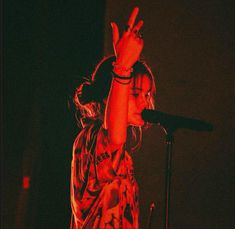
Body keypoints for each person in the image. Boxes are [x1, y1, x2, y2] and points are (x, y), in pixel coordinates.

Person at [70, 7, 157, 229]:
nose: (145, 102)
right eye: (136, 93)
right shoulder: (91, 139)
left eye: (147, 95)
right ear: (112, 93)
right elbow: (114, 138)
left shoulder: (125, 158)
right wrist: (123, 67)